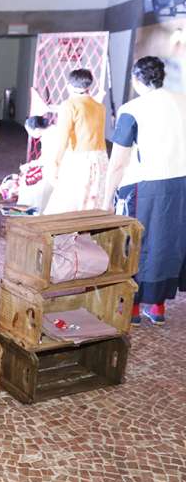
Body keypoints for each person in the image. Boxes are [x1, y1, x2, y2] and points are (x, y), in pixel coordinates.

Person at [103, 56, 186, 325]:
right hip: (181, 182)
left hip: (146, 185)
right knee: (171, 242)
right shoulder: (182, 100)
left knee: (137, 244)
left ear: (137, 80)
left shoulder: (133, 108)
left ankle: (134, 307)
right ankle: (159, 306)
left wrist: (106, 198)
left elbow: (118, 162)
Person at [44, 69, 108, 214]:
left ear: (69, 85)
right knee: (92, 201)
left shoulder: (69, 105)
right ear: (89, 85)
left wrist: (55, 163)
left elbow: (63, 139)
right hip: (101, 158)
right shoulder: (100, 107)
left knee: (67, 201)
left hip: (80, 158)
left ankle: (64, 232)